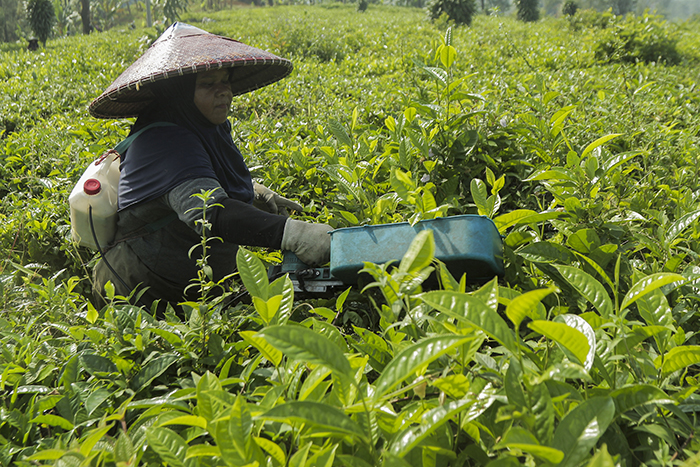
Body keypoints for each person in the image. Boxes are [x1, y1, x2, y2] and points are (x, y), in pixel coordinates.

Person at [88, 22, 331, 310]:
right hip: (140, 292)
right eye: (207, 84)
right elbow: (210, 214)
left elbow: (199, 176)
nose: (223, 92)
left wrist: (252, 192)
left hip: (197, 285)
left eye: (225, 81)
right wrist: (294, 234)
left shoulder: (201, 125)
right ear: (178, 91)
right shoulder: (165, 139)